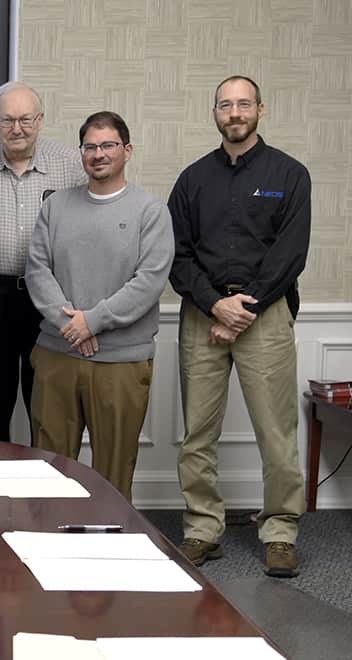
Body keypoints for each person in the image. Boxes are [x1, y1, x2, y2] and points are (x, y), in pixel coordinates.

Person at [169, 76, 311, 578]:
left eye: (243, 104)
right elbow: (178, 257)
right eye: (225, 105)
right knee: (197, 433)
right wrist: (215, 305)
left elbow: (290, 254)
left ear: (260, 110)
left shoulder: (290, 175)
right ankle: (203, 528)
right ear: (214, 113)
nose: (234, 112)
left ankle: (279, 531)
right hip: (202, 314)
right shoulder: (191, 180)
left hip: (265, 315)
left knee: (276, 433)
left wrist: (242, 308)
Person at [24, 111, 172, 502]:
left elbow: (148, 282)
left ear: (127, 151)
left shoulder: (150, 212)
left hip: (121, 362)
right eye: (90, 146)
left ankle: (112, 551)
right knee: (50, 467)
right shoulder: (55, 207)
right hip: (58, 354)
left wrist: (93, 321)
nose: (98, 154)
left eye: (108, 146)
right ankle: (48, 545)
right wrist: (71, 325)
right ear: (81, 154)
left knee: (113, 469)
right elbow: (37, 269)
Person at [0, 81, 87, 442]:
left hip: (49, 299)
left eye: (26, 119)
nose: (17, 129)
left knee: (46, 405)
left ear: (40, 120)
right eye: (7, 120)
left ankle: (41, 497)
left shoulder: (70, 167)